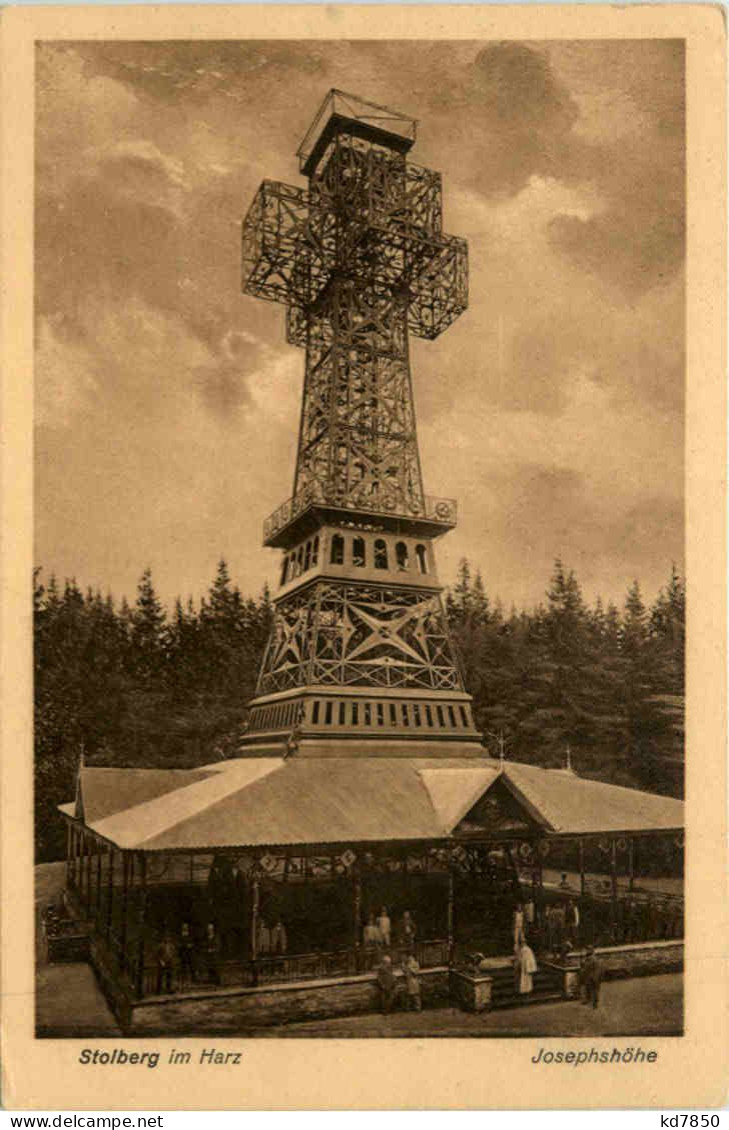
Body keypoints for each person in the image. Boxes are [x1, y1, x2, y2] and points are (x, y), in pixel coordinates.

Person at [204, 922, 221, 986]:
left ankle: (217, 981)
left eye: (211, 929)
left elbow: (218, 946)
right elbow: (205, 945)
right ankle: (211, 980)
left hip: (215, 955)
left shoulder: (216, 936)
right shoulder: (207, 937)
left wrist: (213, 950)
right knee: (209, 968)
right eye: (208, 929)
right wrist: (207, 950)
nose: (209, 930)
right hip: (208, 955)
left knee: (216, 968)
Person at [179, 921, 195, 987]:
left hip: (189, 953)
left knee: (191, 966)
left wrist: (190, 945)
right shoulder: (180, 935)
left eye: (186, 927)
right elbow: (179, 944)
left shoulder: (190, 935)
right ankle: (183, 981)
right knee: (183, 968)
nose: (185, 928)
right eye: (184, 927)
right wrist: (183, 945)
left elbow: (193, 943)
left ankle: (191, 980)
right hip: (183, 953)